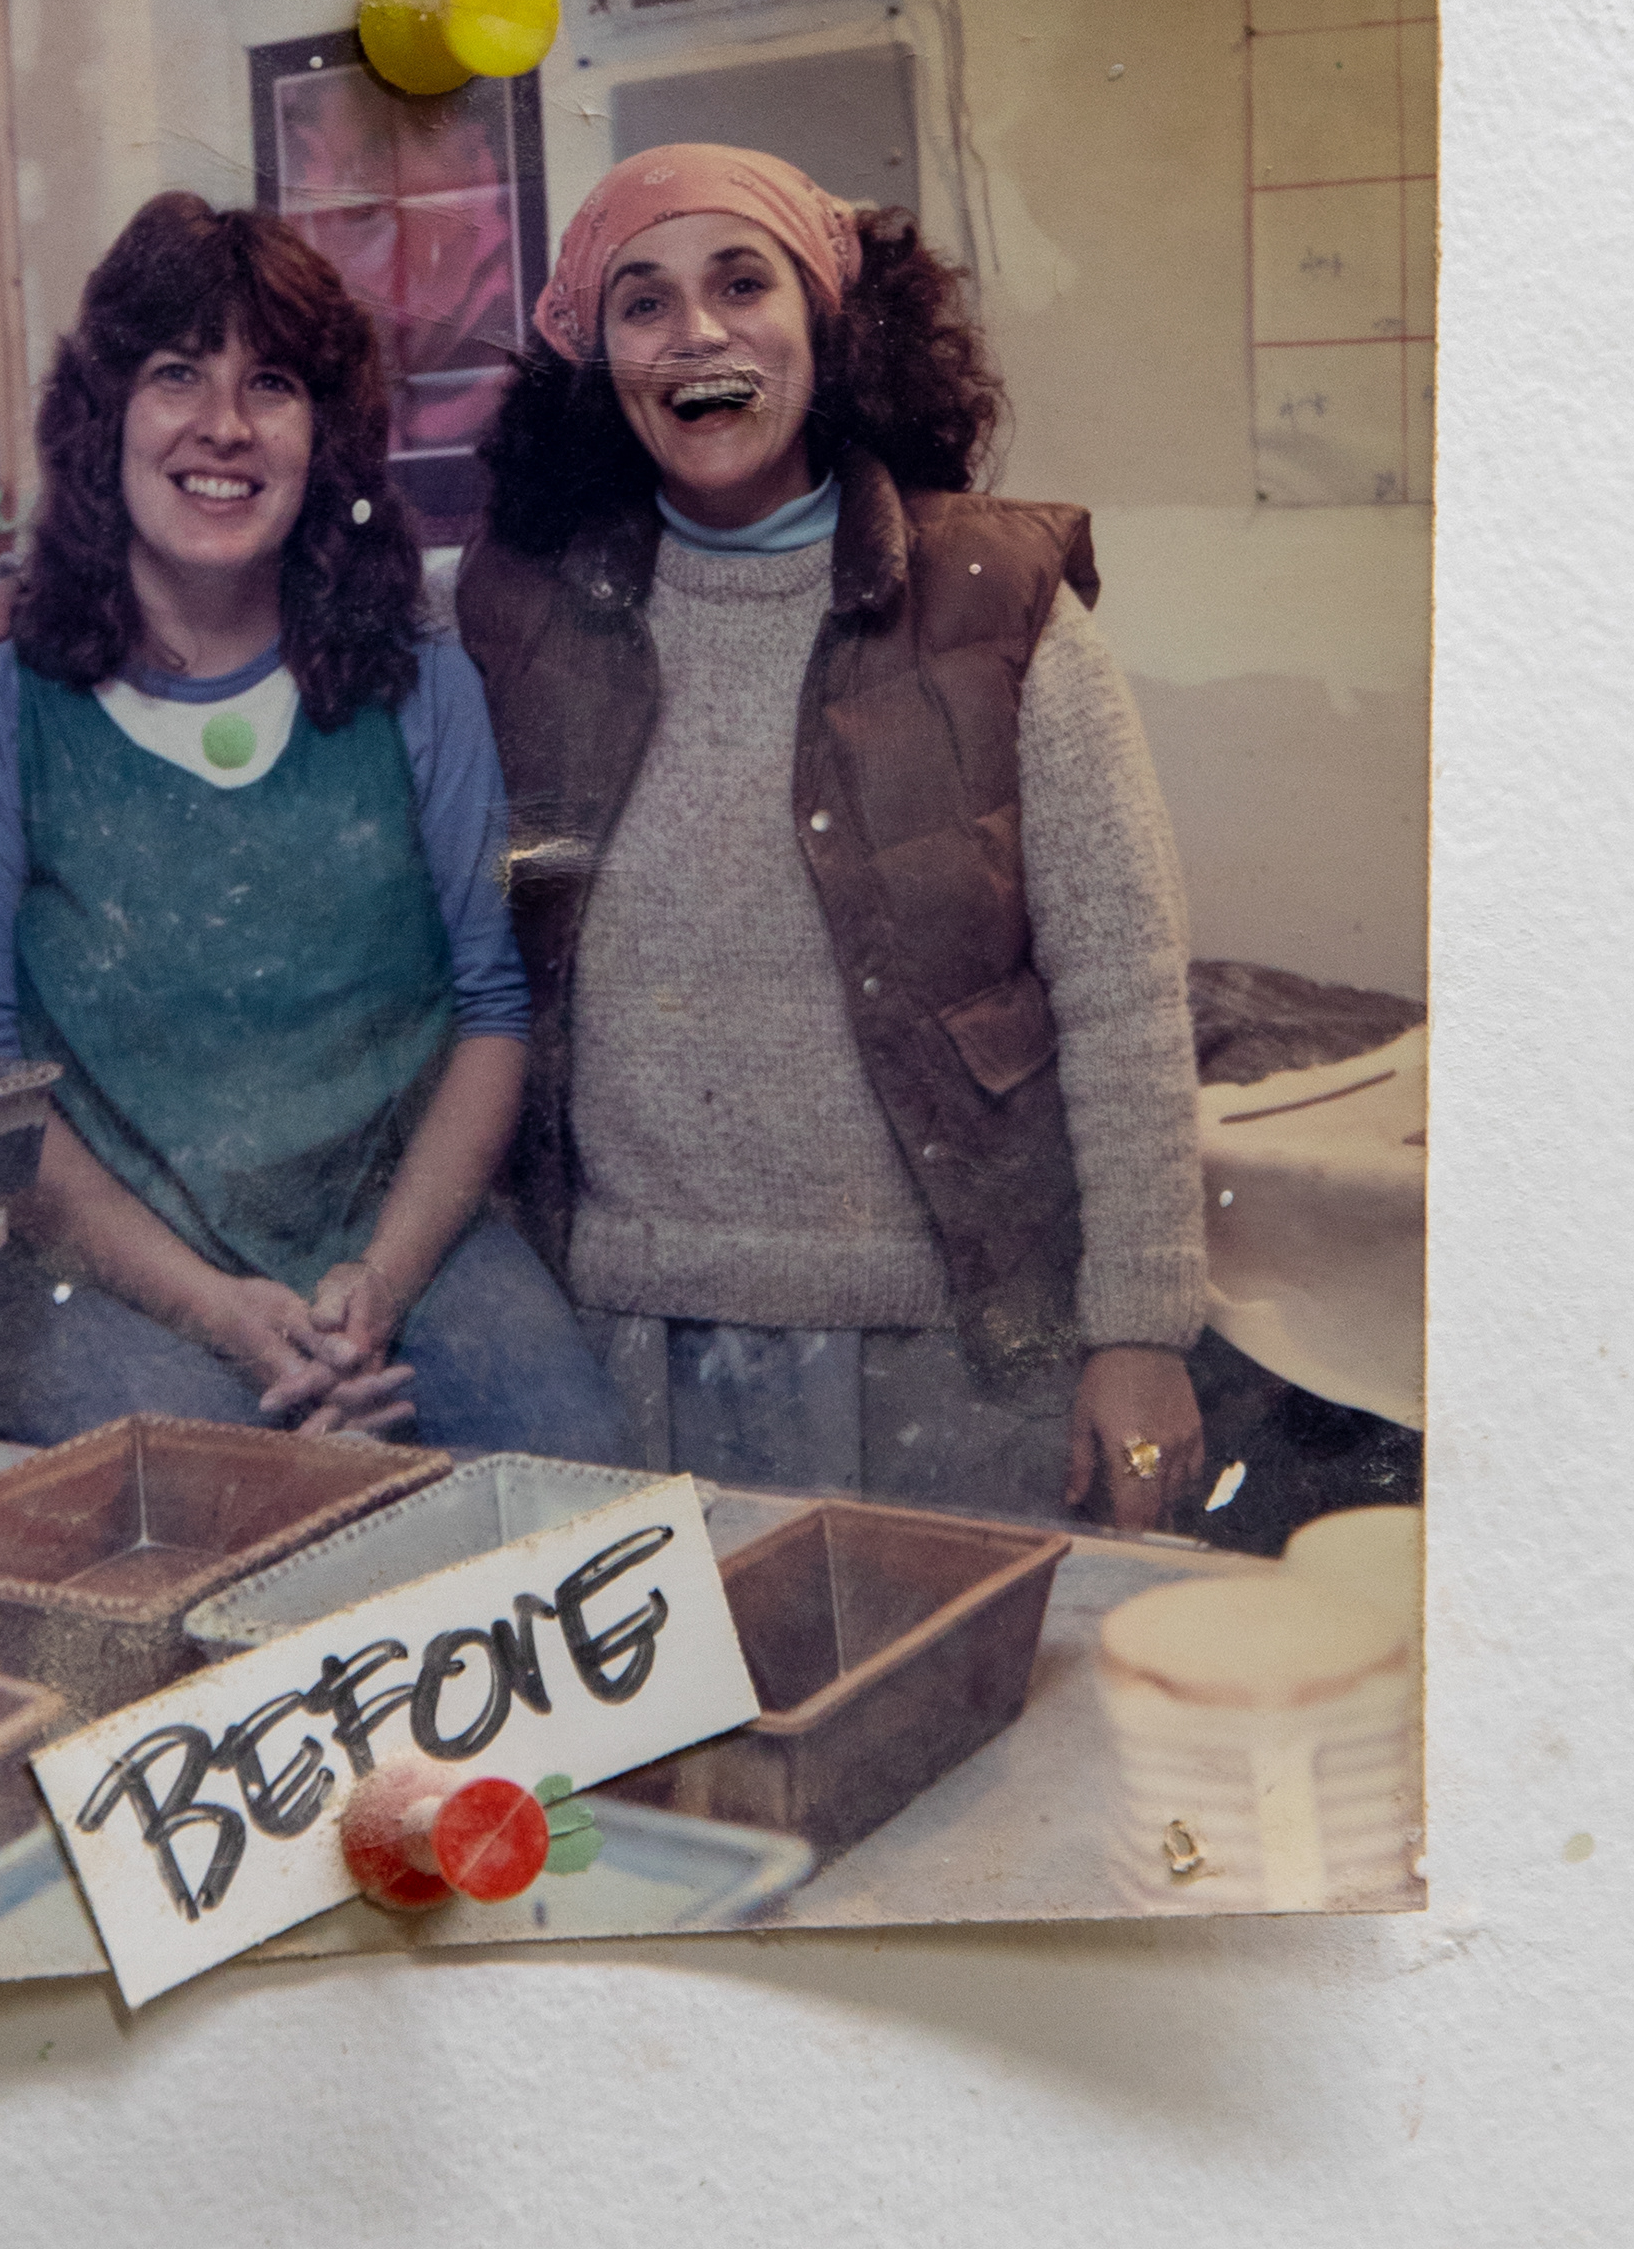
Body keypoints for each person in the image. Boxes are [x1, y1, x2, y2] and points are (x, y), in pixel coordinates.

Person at [457, 143, 1212, 1530]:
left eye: (743, 282)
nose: (698, 330)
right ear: (600, 362)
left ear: (827, 322)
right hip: (618, 1346)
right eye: (643, 300)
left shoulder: (998, 600)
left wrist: (1141, 1331)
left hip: (952, 1354)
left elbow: (1124, 988)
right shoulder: (518, 611)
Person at [0, 195, 625, 1461]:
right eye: (176, 372)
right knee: (235, 1479)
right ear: (106, 414)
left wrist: (377, 1291)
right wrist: (218, 1315)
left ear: (323, 437)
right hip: (96, 1263)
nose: (223, 423)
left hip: (388, 1242)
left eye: (270, 383)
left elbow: (492, 1009)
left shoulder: (420, 675)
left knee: (580, 1468)